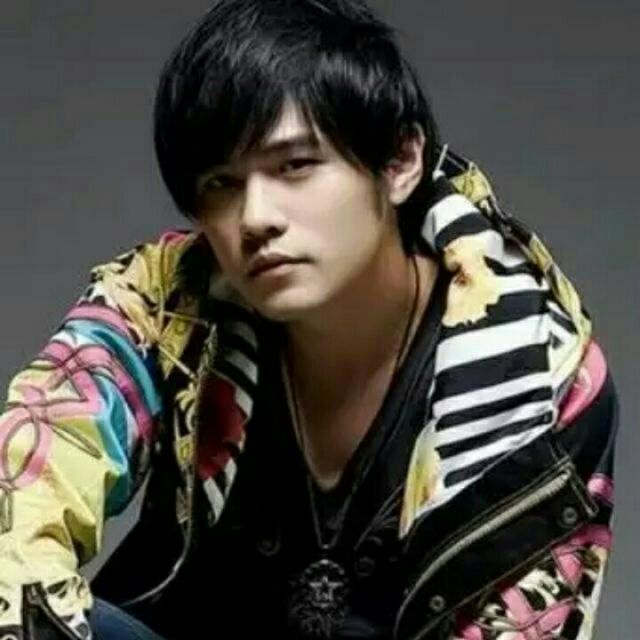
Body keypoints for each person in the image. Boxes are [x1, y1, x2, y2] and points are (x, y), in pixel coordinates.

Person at [0, 0, 618, 638]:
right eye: (221, 184)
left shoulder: (538, 377)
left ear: (400, 161)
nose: (256, 218)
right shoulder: (161, 305)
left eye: (294, 166)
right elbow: (23, 484)